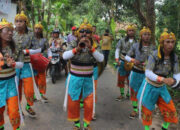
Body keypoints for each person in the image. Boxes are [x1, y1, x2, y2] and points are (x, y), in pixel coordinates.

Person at [63, 22, 104, 130]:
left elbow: (101, 59)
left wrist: (91, 48)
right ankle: (76, 124)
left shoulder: (94, 44)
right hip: (74, 77)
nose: (84, 33)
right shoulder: (73, 42)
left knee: (89, 103)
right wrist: (77, 49)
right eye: (82, 31)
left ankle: (86, 124)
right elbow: (65, 56)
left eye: (87, 31)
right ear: (77, 33)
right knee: (73, 102)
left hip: (88, 78)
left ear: (91, 34)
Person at [137, 29, 179, 130]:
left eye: (172, 42)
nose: (170, 44)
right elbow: (148, 72)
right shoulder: (154, 55)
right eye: (167, 42)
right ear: (162, 43)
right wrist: (163, 79)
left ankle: (164, 128)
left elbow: (177, 74)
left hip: (161, 88)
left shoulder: (174, 57)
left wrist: (174, 81)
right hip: (149, 86)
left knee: (171, 110)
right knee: (147, 111)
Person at [13, 11, 41, 117]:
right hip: (15, 64)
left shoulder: (31, 34)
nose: (18, 23)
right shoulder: (11, 33)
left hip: (26, 64)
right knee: (16, 88)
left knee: (29, 89)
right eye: (17, 21)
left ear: (25, 22)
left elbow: (38, 49)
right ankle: (19, 109)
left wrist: (28, 51)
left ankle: (28, 106)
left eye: (21, 21)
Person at [125, 27, 156, 119]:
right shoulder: (135, 45)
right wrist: (133, 60)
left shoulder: (153, 47)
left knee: (145, 92)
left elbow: (157, 59)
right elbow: (126, 56)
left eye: (148, 34)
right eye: (145, 34)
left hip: (147, 74)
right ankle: (135, 110)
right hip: (135, 71)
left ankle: (143, 110)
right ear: (141, 36)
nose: (147, 36)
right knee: (134, 91)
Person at [0, 19, 24, 130]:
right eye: (7, 30)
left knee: (14, 110)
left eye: (11, 30)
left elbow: (21, 64)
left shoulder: (16, 46)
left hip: (11, 82)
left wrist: (13, 64)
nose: (10, 33)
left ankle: (16, 128)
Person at [115, 25, 136, 101]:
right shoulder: (122, 40)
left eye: (132, 30)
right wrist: (117, 60)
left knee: (131, 79)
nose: (131, 32)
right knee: (121, 78)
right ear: (127, 32)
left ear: (134, 32)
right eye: (129, 30)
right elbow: (117, 49)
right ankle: (122, 94)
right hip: (122, 61)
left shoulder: (137, 42)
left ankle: (128, 93)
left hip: (133, 62)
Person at [31, 22, 49, 102]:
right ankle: (34, 95)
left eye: (39, 29)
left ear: (41, 31)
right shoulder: (31, 39)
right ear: (34, 29)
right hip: (33, 61)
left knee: (42, 78)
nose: (37, 30)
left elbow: (47, 49)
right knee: (34, 78)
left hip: (41, 61)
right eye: (36, 28)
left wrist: (43, 56)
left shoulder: (44, 39)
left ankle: (41, 94)